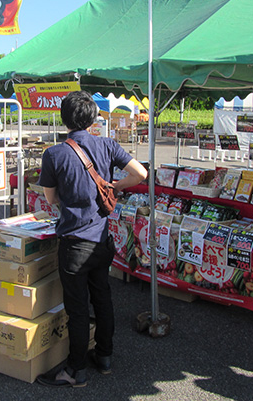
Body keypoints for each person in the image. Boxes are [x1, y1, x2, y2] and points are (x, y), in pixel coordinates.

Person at [36, 90, 147, 388]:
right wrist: (116, 185)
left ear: (64, 118)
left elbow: (51, 197)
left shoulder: (55, 153)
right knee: (103, 298)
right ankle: (105, 357)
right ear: (94, 118)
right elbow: (141, 173)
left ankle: (75, 370)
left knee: (77, 307)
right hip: (102, 240)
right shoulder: (107, 145)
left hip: (74, 243)